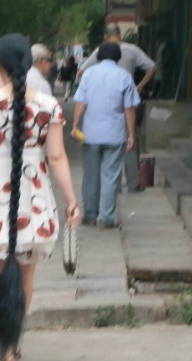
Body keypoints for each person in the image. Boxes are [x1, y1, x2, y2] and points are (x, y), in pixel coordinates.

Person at [0, 33, 81, 361]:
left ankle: (5, 350)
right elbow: (57, 156)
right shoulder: (49, 106)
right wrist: (72, 199)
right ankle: (12, 345)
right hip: (34, 195)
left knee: (0, 275)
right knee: (26, 274)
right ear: (28, 67)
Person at [79, 23, 155, 192]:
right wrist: (140, 86)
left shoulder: (101, 50)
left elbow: (81, 71)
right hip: (128, 97)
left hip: (106, 102)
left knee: (111, 145)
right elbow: (152, 66)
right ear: (119, 34)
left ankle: (114, 183)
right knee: (130, 139)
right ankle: (134, 182)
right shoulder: (133, 50)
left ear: (105, 36)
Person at [72, 42, 140, 228]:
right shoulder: (124, 76)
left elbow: (80, 103)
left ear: (98, 57)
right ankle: (108, 217)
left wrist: (75, 125)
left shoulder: (88, 75)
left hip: (90, 134)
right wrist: (131, 134)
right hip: (115, 134)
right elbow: (129, 108)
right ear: (118, 58)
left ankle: (91, 214)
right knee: (111, 175)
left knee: (91, 174)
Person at [152, 30, 177, 99]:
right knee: (158, 79)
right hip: (159, 65)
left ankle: (162, 94)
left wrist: (164, 64)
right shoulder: (162, 45)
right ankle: (157, 94)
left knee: (163, 80)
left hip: (165, 66)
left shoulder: (168, 44)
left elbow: (167, 55)